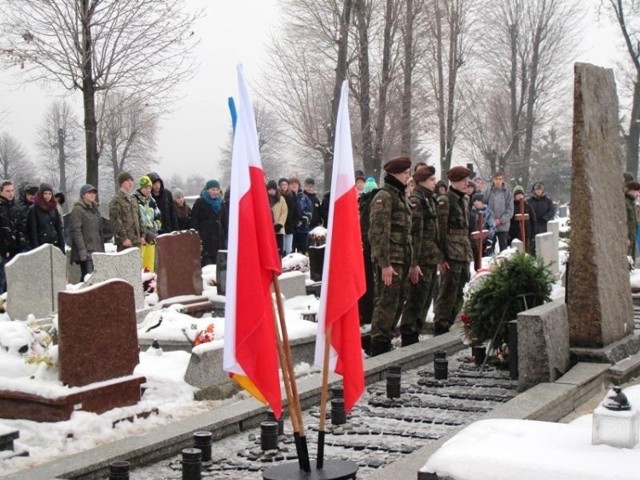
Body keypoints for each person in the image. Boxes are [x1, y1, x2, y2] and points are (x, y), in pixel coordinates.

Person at [368, 156, 413, 356]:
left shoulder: (399, 195)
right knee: (386, 302)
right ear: (394, 173)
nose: (408, 176)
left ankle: (386, 341)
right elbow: (378, 232)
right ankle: (378, 346)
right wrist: (384, 263)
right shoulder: (384, 197)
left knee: (397, 301)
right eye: (405, 173)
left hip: (402, 258)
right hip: (390, 261)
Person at [399, 165, 442, 347]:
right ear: (422, 181)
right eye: (432, 180)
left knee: (424, 300)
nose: (435, 183)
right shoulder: (417, 200)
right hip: (421, 260)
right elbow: (414, 234)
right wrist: (414, 263)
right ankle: (409, 335)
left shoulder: (429, 199)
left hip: (430, 258)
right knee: (416, 299)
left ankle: (415, 332)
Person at [432, 166, 473, 335]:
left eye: (466, 180)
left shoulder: (464, 199)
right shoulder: (445, 200)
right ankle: (441, 325)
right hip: (450, 252)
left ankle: (451, 322)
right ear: (454, 181)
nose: (466, 183)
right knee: (448, 290)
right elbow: (439, 229)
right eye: (463, 180)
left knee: (461, 289)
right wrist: (441, 257)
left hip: (463, 250)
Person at [69, 184, 104, 279]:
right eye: (89, 192)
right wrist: (82, 250)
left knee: (96, 279)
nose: (92, 195)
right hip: (86, 251)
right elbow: (76, 231)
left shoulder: (96, 209)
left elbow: (99, 231)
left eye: (94, 193)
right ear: (83, 195)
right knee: (87, 278)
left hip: (97, 250)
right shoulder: (78, 209)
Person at [191, 179, 227, 266]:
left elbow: (224, 221)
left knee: (219, 267)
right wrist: (196, 237)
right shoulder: (200, 202)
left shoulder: (221, 203)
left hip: (218, 240)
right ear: (207, 190)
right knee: (207, 266)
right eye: (212, 189)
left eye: (217, 189)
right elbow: (194, 221)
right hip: (205, 240)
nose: (215, 192)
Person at [0, 180, 27, 293]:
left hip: (15, 250)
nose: (10, 193)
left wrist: (21, 246)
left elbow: (20, 230)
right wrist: (3, 249)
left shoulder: (16, 208)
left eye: (12, 190)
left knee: (12, 281)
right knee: (1, 280)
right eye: (7, 191)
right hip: (2, 251)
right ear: (1, 192)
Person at [109, 171, 144, 252]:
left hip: (136, 241)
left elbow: (139, 218)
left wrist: (142, 235)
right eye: (127, 180)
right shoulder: (116, 200)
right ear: (121, 183)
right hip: (125, 243)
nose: (130, 182)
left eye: (131, 180)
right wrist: (123, 238)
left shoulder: (133, 199)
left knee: (137, 264)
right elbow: (115, 222)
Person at [134, 176, 162, 272]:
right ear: (140, 188)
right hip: (140, 237)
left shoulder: (152, 201)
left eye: (149, 187)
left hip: (151, 235)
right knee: (140, 263)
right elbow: (135, 219)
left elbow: (158, 216)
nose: (148, 190)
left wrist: (155, 229)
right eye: (145, 187)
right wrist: (143, 233)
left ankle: (149, 283)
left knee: (150, 263)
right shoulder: (134, 200)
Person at [27, 183, 65, 253]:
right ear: (41, 194)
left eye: (50, 194)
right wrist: (36, 250)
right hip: (41, 246)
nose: (48, 196)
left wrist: (62, 247)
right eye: (45, 194)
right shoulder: (34, 209)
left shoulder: (53, 208)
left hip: (55, 244)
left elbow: (59, 228)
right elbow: (33, 231)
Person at [484, 171, 513, 252]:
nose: (498, 181)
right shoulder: (488, 192)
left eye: (500, 179)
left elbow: (510, 210)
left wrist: (501, 220)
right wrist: (491, 220)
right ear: (493, 180)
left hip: (504, 225)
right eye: (496, 179)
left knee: (504, 249)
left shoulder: (508, 193)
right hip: (490, 225)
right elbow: (485, 206)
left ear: (503, 180)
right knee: (489, 249)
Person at [509, 185, 537, 253]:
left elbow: (533, 220)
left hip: (527, 232)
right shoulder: (511, 206)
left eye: (521, 194)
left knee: (526, 250)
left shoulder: (527, 205)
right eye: (517, 194)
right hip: (514, 232)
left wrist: (533, 233)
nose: (519, 196)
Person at [469, 192, 496, 257]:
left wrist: (489, 240)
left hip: (485, 240)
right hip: (473, 241)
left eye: (478, 200)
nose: (476, 202)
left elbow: (492, 227)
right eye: (474, 201)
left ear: (482, 201)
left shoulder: (488, 212)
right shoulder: (470, 212)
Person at [290, 177, 312, 254]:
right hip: (290, 229)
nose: (294, 185)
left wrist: (302, 221)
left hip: (303, 229)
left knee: (302, 251)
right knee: (290, 252)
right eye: (292, 184)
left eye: (295, 183)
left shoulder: (304, 197)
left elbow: (309, 210)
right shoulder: (287, 197)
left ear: (299, 185)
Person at [267, 180, 288, 257]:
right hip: (268, 229)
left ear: (276, 189)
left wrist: (280, 224)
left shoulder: (281, 199)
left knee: (279, 251)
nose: (271, 191)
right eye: (269, 189)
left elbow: (284, 212)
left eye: (273, 189)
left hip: (278, 229)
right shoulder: (265, 199)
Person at [278, 177, 297, 256]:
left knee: (289, 248)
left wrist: (295, 221)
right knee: (282, 248)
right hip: (280, 224)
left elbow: (296, 208)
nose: (284, 186)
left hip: (290, 223)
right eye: (282, 185)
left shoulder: (292, 194)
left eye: (285, 184)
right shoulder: (278, 195)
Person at [625, 181, 640, 261]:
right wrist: (625, 237)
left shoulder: (632, 203)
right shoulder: (626, 202)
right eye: (637, 191)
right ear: (631, 190)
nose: (638, 195)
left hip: (631, 239)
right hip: (627, 239)